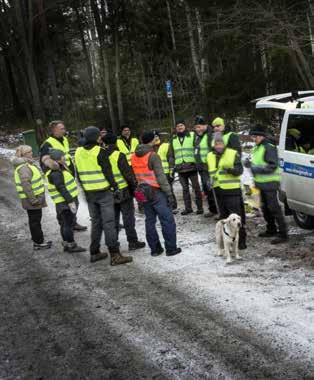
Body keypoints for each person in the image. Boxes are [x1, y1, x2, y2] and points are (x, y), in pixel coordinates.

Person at [75, 126, 133, 265]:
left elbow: (78, 173)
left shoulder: (78, 152)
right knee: (109, 223)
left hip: (89, 193)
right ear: (97, 137)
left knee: (96, 223)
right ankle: (115, 255)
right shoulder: (100, 152)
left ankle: (94, 252)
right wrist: (115, 187)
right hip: (103, 192)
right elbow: (108, 173)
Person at [131, 131, 181, 256]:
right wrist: (169, 193)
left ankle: (155, 249)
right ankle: (171, 248)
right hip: (156, 191)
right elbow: (160, 177)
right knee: (167, 220)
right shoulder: (152, 155)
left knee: (150, 221)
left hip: (143, 191)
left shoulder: (134, 156)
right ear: (152, 140)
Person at [40, 120, 87, 231]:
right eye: (61, 128)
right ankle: (64, 225)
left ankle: (73, 222)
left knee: (74, 201)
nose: (64, 130)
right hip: (59, 176)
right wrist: (55, 173)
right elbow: (44, 163)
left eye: (63, 128)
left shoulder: (64, 139)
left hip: (68, 174)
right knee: (63, 204)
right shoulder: (47, 144)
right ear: (54, 130)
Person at [245, 124, 288, 244]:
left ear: (261, 136)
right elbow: (255, 162)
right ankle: (271, 229)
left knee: (274, 208)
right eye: (252, 137)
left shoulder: (269, 147)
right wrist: (248, 163)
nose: (253, 139)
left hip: (269, 183)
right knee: (265, 208)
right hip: (259, 183)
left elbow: (272, 166)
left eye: (255, 136)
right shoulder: (257, 147)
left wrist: (255, 168)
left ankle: (283, 233)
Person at [103, 132, 146, 251]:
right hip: (123, 191)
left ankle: (114, 243)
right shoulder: (118, 155)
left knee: (113, 219)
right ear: (115, 142)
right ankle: (132, 242)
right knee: (128, 218)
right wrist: (135, 187)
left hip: (109, 192)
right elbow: (128, 174)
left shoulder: (101, 155)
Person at [207, 133, 247, 250]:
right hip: (218, 190)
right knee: (224, 218)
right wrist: (209, 180)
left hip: (232, 191)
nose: (218, 146)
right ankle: (227, 241)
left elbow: (239, 170)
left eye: (220, 143)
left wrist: (230, 170)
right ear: (213, 144)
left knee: (237, 218)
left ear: (224, 144)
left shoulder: (232, 153)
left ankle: (241, 241)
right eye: (216, 143)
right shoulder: (209, 155)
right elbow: (211, 171)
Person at [45, 149, 86, 253]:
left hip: (63, 202)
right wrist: (70, 201)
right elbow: (61, 188)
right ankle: (71, 245)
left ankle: (66, 243)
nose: (64, 158)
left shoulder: (58, 169)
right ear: (58, 159)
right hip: (65, 202)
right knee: (68, 224)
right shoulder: (56, 173)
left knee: (65, 223)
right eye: (62, 156)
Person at [13, 145, 52, 250]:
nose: (32, 153)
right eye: (29, 152)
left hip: (34, 199)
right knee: (35, 221)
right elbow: (26, 185)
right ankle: (38, 243)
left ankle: (38, 241)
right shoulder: (24, 167)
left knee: (35, 220)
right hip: (32, 200)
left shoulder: (26, 165)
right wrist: (33, 200)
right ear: (24, 154)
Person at [168, 119, 203, 215]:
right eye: (178, 126)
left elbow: (197, 149)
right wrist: (172, 167)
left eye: (181, 125)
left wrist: (197, 162)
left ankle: (200, 208)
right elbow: (171, 155)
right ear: (176, 128)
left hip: (192, 167)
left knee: (196, 188)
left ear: (185, 126)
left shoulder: (192, 135)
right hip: (180, 169)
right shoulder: (173, 139)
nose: (180, 127)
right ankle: (188, 208)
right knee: (185, 189)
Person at [193, 115, 216, 217]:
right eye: (196, 127)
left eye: (199, 127)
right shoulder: (198, 137)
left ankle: (216, 209)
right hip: (201, 168)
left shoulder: (210, 135)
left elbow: (214, 151)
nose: (197, 129)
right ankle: (212, 209)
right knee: (207, 189)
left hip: (209, 167)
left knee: (211, 188)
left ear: (205, 125)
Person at [156, 132, 178, 211]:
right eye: (154, 137)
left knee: (168, 189)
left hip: (166, 172)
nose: (155, 138)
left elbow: (170, 158)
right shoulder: (151, 147)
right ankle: (165, 205)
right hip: (156, 172)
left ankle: (172, 205)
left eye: (157, 136)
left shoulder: (165, 145)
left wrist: (171, 169)